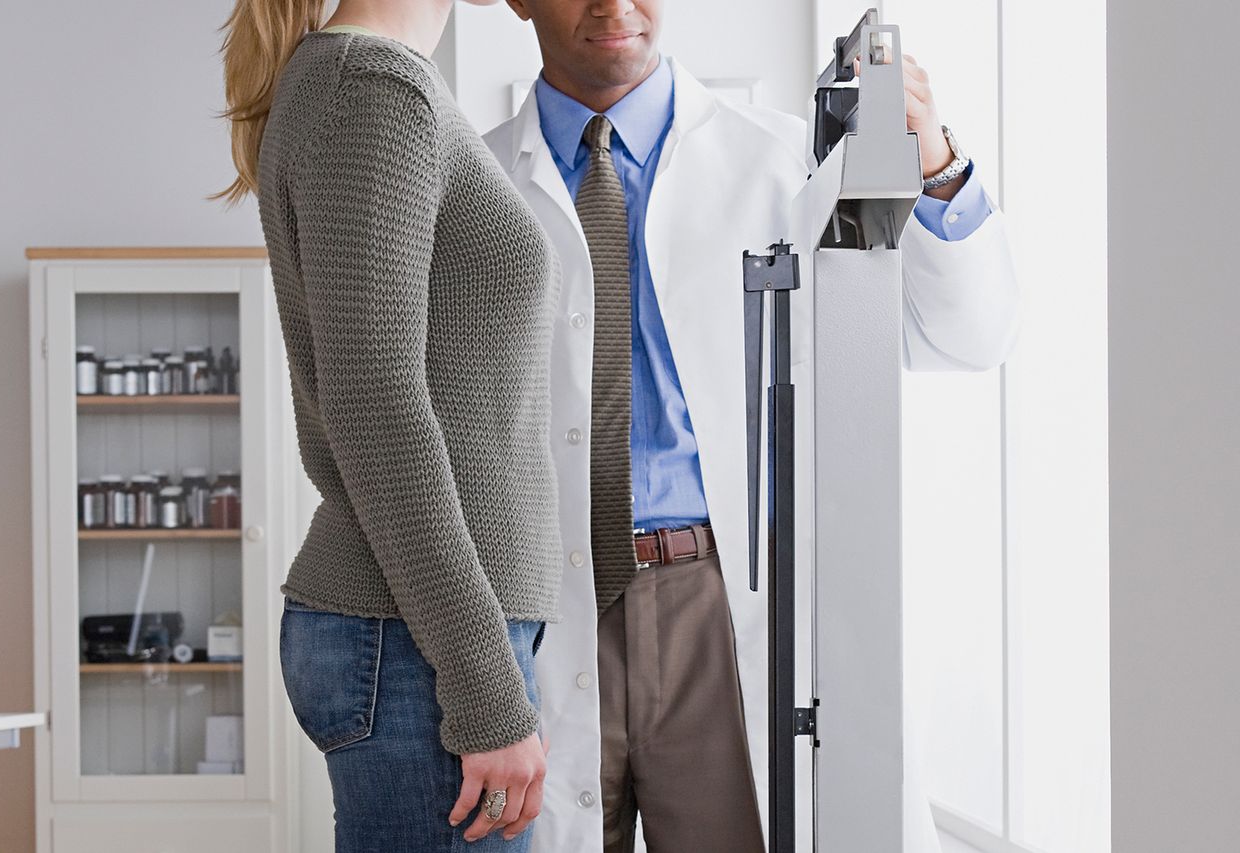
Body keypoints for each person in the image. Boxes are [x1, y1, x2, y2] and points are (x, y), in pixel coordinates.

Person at [482, 1, 1021, 852]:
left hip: (720, 605)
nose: (614, 5)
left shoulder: (787, 166)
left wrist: (940, 165)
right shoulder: (471, 184)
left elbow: (963, 334)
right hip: (538, 605)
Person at [217, 0, 565, 848]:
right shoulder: (370, 88)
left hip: (418, 634)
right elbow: (376, 405)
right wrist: (484, 686)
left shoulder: (380, 84)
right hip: (412, 644)